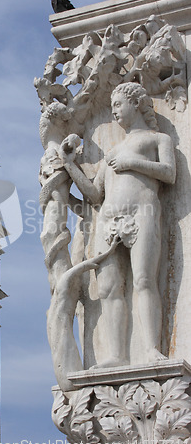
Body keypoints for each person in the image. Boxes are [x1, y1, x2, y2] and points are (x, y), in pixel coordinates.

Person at [59, 82, 176, 368]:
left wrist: (131, 162)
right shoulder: (113, 151)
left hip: (142, 214)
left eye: (119, 104)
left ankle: (150, 350)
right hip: (109, 221)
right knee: (110, 288)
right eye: (112, 106)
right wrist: (69, 164)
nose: (114, 110)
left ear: (136, 103)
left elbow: (169, 173)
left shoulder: (157, 139)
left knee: (145, 280)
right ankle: (117, 355)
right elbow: (95, 194)